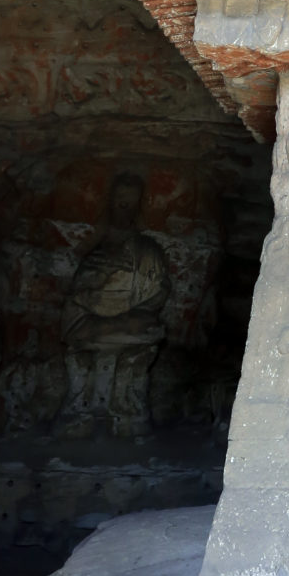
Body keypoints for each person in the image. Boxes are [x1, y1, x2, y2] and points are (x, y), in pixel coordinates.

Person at [57, 173, 170, 437]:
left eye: (131, 202)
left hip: (132, 321)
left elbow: (158, 293)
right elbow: (77, 296)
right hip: (88, 321)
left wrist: (132, 314)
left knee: (149, 329)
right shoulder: (95, 247)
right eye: (120, 200)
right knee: (81, 338)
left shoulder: (147, 249)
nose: (124, 207)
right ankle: (81, 411)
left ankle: (125, 410)